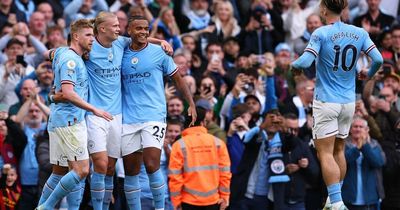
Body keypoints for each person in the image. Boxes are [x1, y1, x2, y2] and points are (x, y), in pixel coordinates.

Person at [291, 0, 384, 209]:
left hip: (326, 101)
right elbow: (378, 59)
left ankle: (337, 202)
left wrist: (294, 66)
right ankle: (334, 200)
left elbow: (305, 62)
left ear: (323, 9)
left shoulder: (321, 33)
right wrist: (367, 74)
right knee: (339, 151)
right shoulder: (359, 33)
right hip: (348, 102)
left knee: (324, 153)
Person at [120, 15, 196, 210]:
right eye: (138, 28)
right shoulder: (121, 51)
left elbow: (178, 79)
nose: (144, 32)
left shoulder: (159, 53)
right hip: (128, 118)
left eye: (146, 28)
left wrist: (191, 103)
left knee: (152, 164)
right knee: (131, 170)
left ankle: (160, 208)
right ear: (129, 31)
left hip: (154, 115)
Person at [36, 18, 112, 210]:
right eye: (88, 35)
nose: (92, 39)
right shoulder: (71, 60)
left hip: (58, 120)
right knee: (81, 170)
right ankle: (46, 207)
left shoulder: (63, 53)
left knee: (59, 172)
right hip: (70, 121)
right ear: (76, 37)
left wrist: (56, 52)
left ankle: (40, 207)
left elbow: (46, 53)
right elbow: (68, 93)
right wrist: (94, 109)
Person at [168, 106, 231, 210]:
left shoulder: (179, 145)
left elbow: (175, 177)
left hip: (188, 202)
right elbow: (225, 174)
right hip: (213, 201)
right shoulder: (218, 143)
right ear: (203, 122)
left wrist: (176, 202)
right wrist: (224, 197)